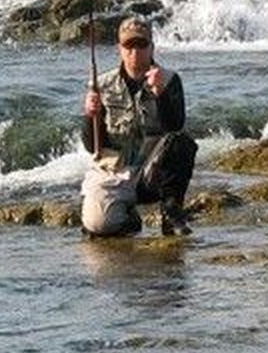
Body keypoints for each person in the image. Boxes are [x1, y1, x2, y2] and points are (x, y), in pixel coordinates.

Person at [80, 15, 197, 237]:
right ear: (119, 49)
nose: (135, 53)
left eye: (141, 45)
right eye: (129, 46)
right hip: (114, 171)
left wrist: (160, 94)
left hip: (151, 174)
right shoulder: (101, 85)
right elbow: (91, 145)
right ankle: (127, 218)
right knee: (97, 226)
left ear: (152, 47)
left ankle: (171, 213)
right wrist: (89, 115)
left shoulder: (170, 80)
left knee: (182, 144)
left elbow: (175, 126)